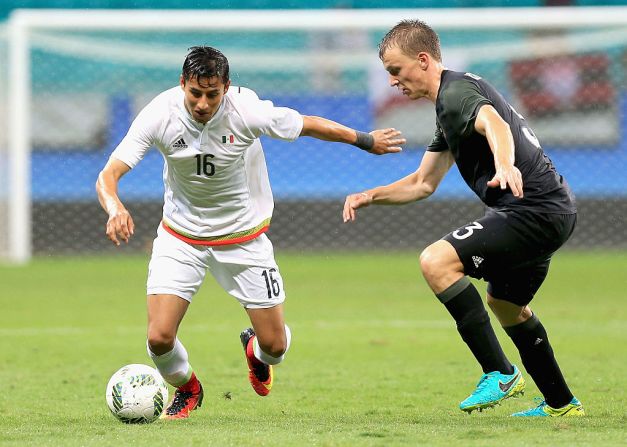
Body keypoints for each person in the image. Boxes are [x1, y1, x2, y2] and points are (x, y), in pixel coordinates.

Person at [96, 46, 405, 420]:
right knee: (159, 338)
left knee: (275, 347)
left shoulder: (249, 111)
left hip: (244, 240)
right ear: (183, 85)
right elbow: (108, 175)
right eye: (195, 93)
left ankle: (254, 352)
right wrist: (115, 207)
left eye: (213, 94)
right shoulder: (159, 115)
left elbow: (308, 124)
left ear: (227, 88)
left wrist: (365, 140)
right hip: (181, 238)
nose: (203, 103)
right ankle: (188, 389)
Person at [343, 20, 584, 417]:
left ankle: (499, 373)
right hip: (552, 210)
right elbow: (423, 182)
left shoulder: (455, 95)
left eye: (395, 70)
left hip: (531, 211)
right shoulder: (449, 106)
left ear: (423, 60)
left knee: (436, 261)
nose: (392, 81)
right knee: (505, 304)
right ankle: (561, 403)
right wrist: (370, 195)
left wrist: (506, 164)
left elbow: (495, 122)